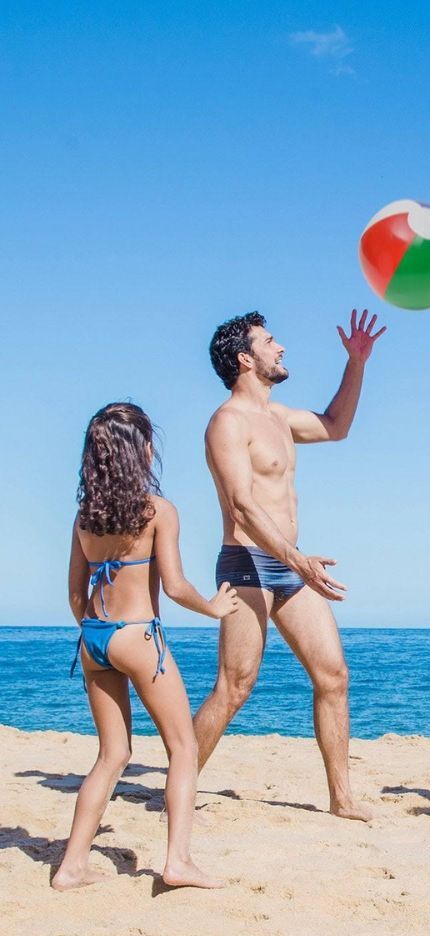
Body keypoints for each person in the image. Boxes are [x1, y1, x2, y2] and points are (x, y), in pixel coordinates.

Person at [194, 309, 384, 822]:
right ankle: (179, 785)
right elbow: (241, 506)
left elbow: (337, 426)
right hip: (247, 564)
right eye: (270, 341)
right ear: (244, 358)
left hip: (291, 567)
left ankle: (342, 799)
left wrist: (357, 363)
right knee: (235, 686)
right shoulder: (227, 422)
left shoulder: (278, 418)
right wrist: (298, 560)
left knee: (333, 675)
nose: (280, 348)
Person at [55, 402, 238, 891]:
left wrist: (99, 632)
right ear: (142, 451)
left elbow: (75, 594)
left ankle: (72, 866)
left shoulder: (84, 516)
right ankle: (177, 861)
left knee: (111, 755)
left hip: (93, 637)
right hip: (138, 635)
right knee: (182, 748)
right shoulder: (157, 510)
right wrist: (214, 607)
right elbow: (175, 587)